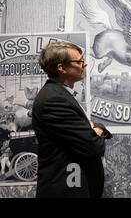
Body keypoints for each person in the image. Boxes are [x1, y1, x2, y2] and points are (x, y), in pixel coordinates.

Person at [32, 41, 112, 198]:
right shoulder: (54, 99)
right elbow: (93, 147)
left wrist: (93, 129)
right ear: (62, 68)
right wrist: (98, 129)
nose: (85, 63)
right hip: (67, 190)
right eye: (79, 61)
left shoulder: (60, 95)